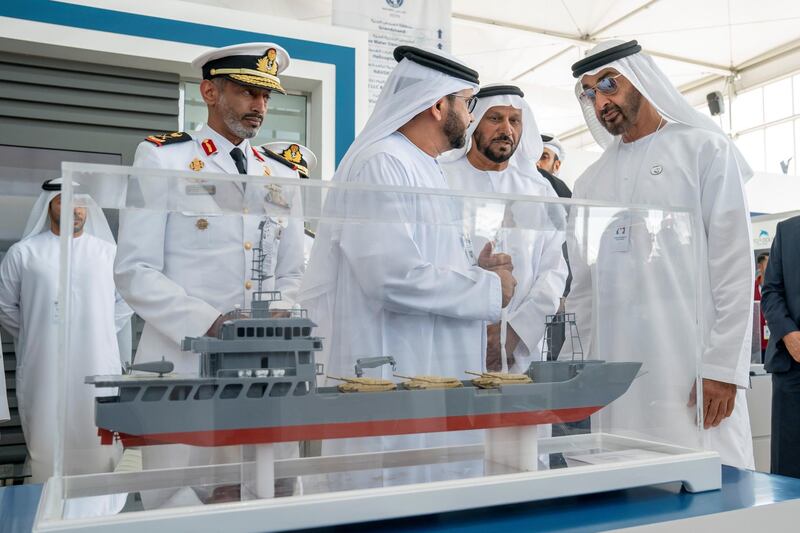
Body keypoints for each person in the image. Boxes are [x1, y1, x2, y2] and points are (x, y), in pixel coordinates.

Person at [299, 46, 516, 485]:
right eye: (467, 103)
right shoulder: (383, 161)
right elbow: (391, 276)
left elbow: (422, 256)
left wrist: (474, 264)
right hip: (393, 371)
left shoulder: (424, 165)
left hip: (429, 371)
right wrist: (491, 288)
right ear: (438, 105)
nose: (472, 117)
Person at [114, 42, 305, 506]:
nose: (259, 105)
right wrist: (211, 324)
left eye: (265, 96)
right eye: (246, 92)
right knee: (181, 501)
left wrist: (275, 317)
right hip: (186, 365)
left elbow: (294, 271)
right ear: (209, 92)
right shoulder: (164, 159)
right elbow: (135, 269)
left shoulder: (280, 175)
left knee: (268, 492)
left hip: (265, 368)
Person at [566, 40, 754, 468]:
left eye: (609, 84)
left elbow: (733, 266)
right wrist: (571, 369)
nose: (601, 101)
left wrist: (724, 368)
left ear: (642, 80)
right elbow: (584, 287)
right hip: (614, 370)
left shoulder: (704, 150)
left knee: (704, 481)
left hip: (690, 364)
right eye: (590, 93)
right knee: (624, 482)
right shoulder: (590, 182)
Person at [0, 180, 132, 495]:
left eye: (80, 202)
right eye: (64, 201)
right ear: (49, 206)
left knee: (97, 443)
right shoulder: (24, 253)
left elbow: (126, 302)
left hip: (97, 363)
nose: (74, 209)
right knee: (47, 445)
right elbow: (6, 307)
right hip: (43, 368)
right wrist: (39, 333)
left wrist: (94, 331)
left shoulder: (108, 253)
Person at [440, 84, 568, 373]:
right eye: (495, 118)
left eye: (514, 120)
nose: (506, 129)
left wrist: (513, 335)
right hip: (454, 341)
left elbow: (554, 271)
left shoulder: (538, 189)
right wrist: (479, 336)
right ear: (475, 123)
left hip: (522, 350)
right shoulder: (442, 178)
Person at [761, 216, 800, 478]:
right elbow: (771, 292)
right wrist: (788, 334)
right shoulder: (787, 231)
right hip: (792, 365)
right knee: (788, 467)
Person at [536, 133, 572, 199]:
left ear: (556, 166)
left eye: (544, 157)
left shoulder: (564, 194)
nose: (536, 164)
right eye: (534, 157)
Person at [755, 252, 770, 359]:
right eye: (768, 263)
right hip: (758, 348)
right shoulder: (751, 290)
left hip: (777, 344)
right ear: (760, 266)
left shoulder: (779, 288)